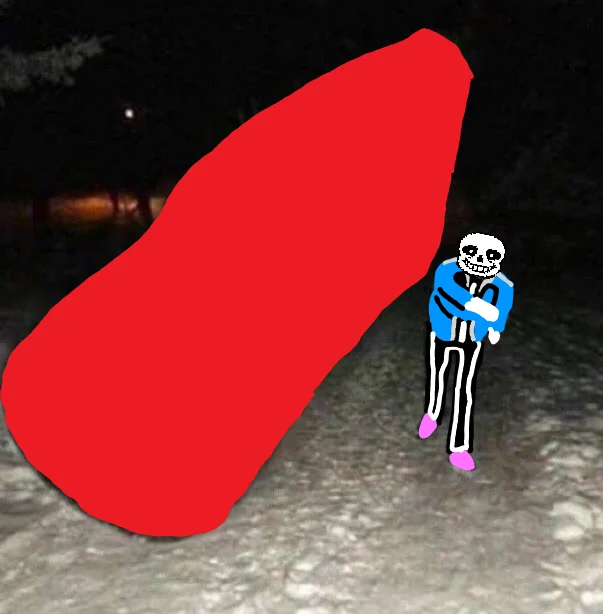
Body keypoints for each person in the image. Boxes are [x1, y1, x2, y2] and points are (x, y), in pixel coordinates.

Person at [418, 233, 514, 471]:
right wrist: (480, 308)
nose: (480, 261)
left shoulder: (503, 284)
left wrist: (496, 326)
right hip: (442, 332)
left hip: (472, 339)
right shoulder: (447, 269)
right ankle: (433, 413)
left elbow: (502, 307)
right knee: (437, 375)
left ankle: (459, 447)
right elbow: (447, 296)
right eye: (473, 253)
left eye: (489, 256)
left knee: (465, 389)